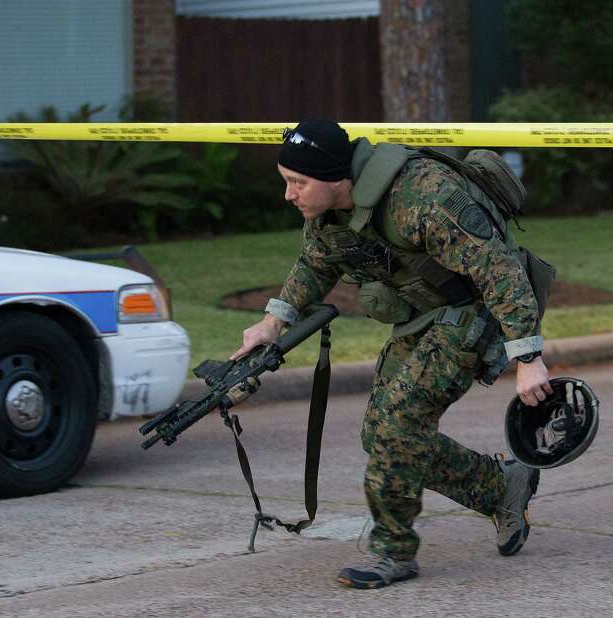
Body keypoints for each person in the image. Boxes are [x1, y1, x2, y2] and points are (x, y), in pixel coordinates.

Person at [231, 119, 552, 589]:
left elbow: (499, 271)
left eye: (297, 183)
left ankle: (392, 551)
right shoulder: (329, 214)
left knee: (400, 425)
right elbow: (316, 263)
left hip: (477, 310)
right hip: (427, 314)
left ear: (336, 178)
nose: (289, 194)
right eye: (286, 182)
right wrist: (272, 321)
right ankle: (500, 486)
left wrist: (527, 357)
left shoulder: (422, 195)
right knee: (380, 435)